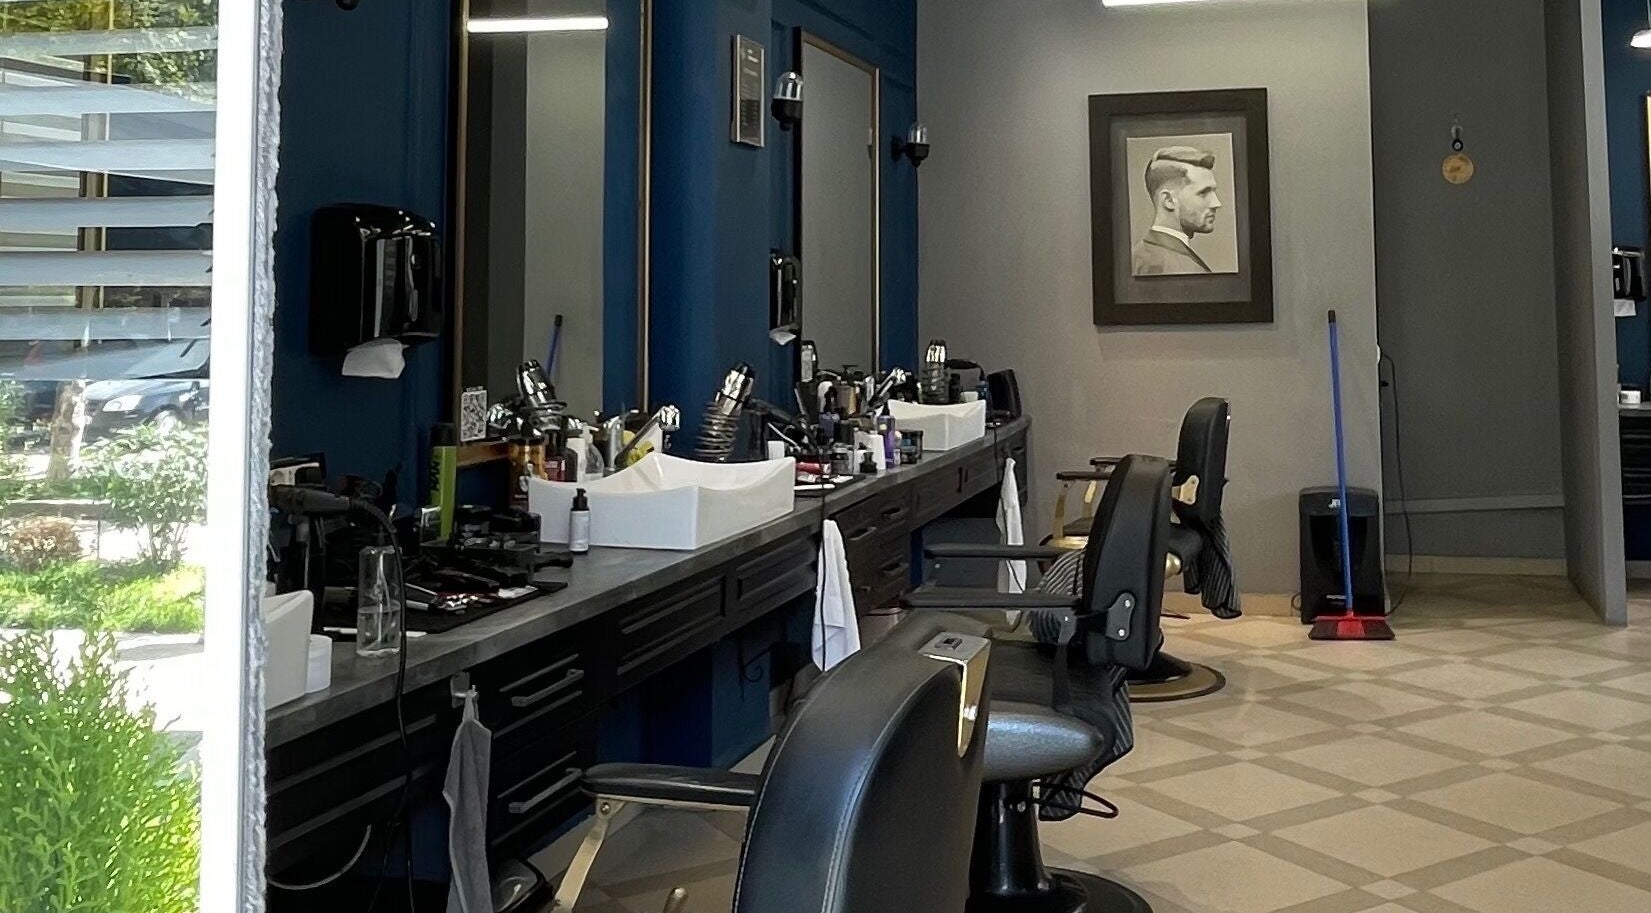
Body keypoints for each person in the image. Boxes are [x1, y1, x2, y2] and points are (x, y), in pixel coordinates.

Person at [1132, 146, 1223, 276]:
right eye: (1203, 193)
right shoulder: (1183, 269)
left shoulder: (1137, 255)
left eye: (1213, 192)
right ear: (1168, 200)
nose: (1216, 203)